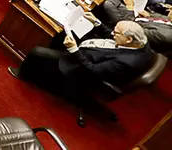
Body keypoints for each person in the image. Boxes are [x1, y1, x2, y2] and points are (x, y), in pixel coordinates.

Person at [8, 21, 153, 116]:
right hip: (98, 54)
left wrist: (74, 50)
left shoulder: (126, 62)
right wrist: (98, 23)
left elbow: (93, 70)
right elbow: (113, 36)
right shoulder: (141, 43)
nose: (112, 34)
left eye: (116, 33)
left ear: (129, 39)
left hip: (86, 71)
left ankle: (23, 74)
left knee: (37, 52)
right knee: (60, 36)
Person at [100, 0, 172, 53]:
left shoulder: (165, 36)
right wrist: (149, 15)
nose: (170, 8)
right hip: (142, 20)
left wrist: (130, 8)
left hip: (130, 29)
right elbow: (163, 19)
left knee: (109, 4)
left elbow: (134, 29)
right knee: (115, 0)